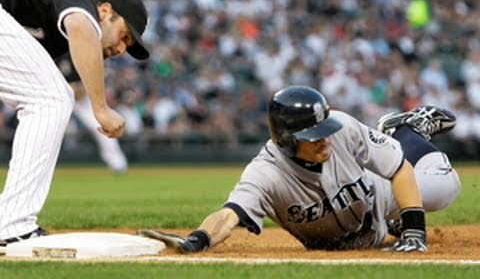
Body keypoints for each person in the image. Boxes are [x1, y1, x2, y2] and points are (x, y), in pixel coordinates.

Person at [140, 85, 461, 252]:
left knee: (447, 187)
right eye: (313, 137)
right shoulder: (265, 174)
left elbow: (399, 170)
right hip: (359, 227)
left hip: (378, 196)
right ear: (285, 139)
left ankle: (407, 130)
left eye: (325, 129)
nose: (325, 140)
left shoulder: (343, 128)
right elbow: (228, 215)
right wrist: (197, 240)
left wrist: (416, 230)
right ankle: (393, 226)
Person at [0, 0, 149, 248]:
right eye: (124, 36)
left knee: (49, 95)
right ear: (105, 11)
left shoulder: (52, 39)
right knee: (51, 100)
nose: (121, 50)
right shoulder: (79, 0)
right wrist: (101, 107)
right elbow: (82, 27)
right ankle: (12, 226)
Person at [56, 54, 128, 174]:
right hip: (58, 96)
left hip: (81, 99)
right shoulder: (54, 52)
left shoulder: (76, 52)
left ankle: (117, 163)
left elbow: (90, 79)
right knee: (48, 126)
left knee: (100, 127)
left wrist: (79, 89)